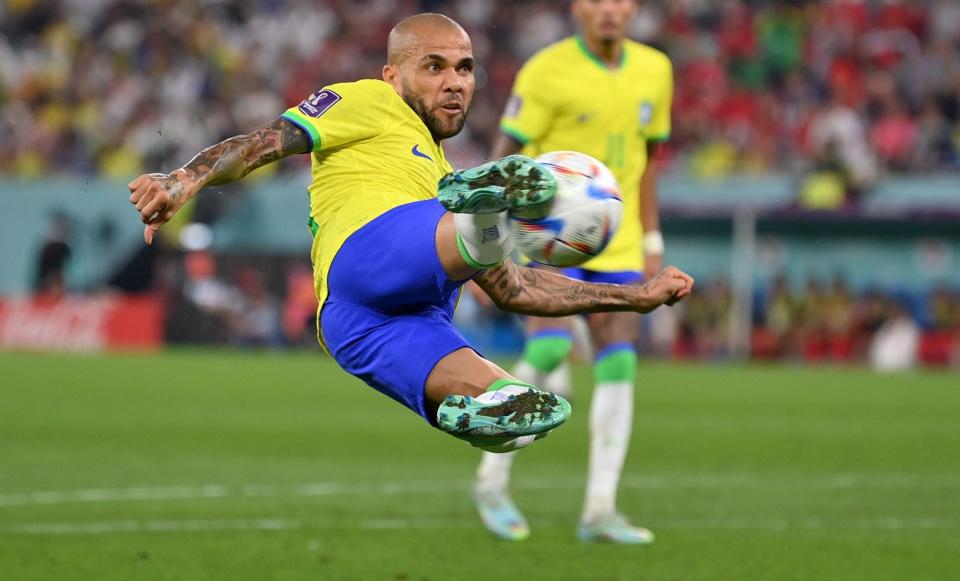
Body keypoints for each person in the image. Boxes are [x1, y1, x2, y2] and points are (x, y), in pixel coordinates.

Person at [127, 13, 693, 455]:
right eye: (435, 66)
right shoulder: (366, 101)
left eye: (465, 68)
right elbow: (260, 144)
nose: (454, 83)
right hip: (365, 258)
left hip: (370, 327)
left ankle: (472, 420)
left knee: (525, 412)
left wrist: (635, 296)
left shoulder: (444, 182)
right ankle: (526, 196)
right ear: (393, 75)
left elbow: (516, 290)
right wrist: (183, 180)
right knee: (478, 221)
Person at [472, 0, 674, 543]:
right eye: (595, 0)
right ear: (577, 8)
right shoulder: (545, 70)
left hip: (620, 241)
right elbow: (503, 155)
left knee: (619, 363)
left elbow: (649, 162)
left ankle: (600, 509)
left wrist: (651, 239)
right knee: (551, 350)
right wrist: (488, 241)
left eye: (619, 0)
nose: (608, 10)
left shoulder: (656, 69)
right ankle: (491, 480)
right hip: (547, 240)